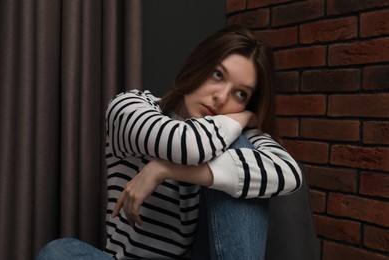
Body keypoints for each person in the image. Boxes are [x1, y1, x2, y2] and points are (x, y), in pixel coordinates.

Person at [37, 24, 302, 260]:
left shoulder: (235, 130)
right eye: (218, 75)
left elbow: (290, 174)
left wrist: (164, 169)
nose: (221, 98)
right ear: (198, 64)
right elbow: (188, 145)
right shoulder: (130, 107)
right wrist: (243, 115)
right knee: (59, 251)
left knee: (241, 149)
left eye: (240, 94)